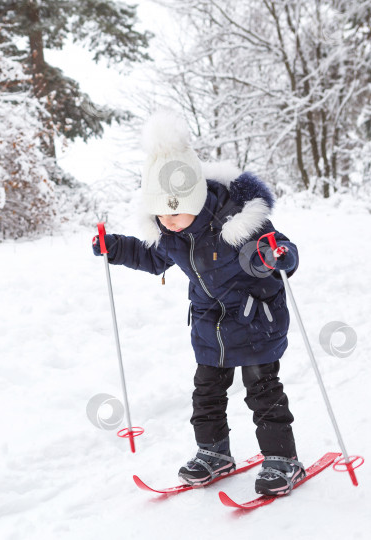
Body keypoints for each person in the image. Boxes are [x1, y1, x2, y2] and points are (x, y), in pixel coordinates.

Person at [91, 110, 304, 496]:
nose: (168, 221)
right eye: (160, 212)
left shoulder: (237, 222)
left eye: (175, 210)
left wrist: (278, 256)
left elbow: (270, 251)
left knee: (262, 390)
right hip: (210, 324)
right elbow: (154, 257)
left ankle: (282, 459)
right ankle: (214, 453)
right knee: (206, 393)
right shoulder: (170, 232)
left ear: (196, 196)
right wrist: (116, 248)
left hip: (256, 318)